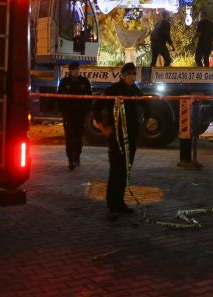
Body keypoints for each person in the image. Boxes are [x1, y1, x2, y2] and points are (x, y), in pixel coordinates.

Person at [92, 63, 149, 220]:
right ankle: (112, 205)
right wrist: (102, 126)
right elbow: (96, 107)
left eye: (134, 74)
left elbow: (146, 106)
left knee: (125, 170)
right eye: (130, 73)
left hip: (131, 137)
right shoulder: (113, 90)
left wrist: (144, 122)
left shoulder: (135, 91)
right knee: (116, 170)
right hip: (116, 137)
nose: (132, 76)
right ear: (123, 74)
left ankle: (121, 202)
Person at [57, 63, 93, 170]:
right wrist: (62, 109)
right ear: (70, 71)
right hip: (68, 115)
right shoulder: (64, 82)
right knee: (69, 137)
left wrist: (87, 111)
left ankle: (77, 156)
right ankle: (70, 159)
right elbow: (59, 96)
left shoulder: (84, 82)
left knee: (78, 137)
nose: (75, 71)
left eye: (77, 69)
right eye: (73, 69)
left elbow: (90, 97)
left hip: (80, 115)